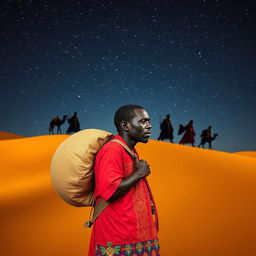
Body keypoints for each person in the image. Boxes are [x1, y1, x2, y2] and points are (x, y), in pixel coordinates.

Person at [88, 104, 160, 256]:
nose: (149, 126)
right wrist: (140, 173)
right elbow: (110, 191)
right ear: (125, 126)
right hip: (117, 235)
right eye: (143, 121)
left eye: (149, 121)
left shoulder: (130, 150)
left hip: (135, 236)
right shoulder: (112, 150)